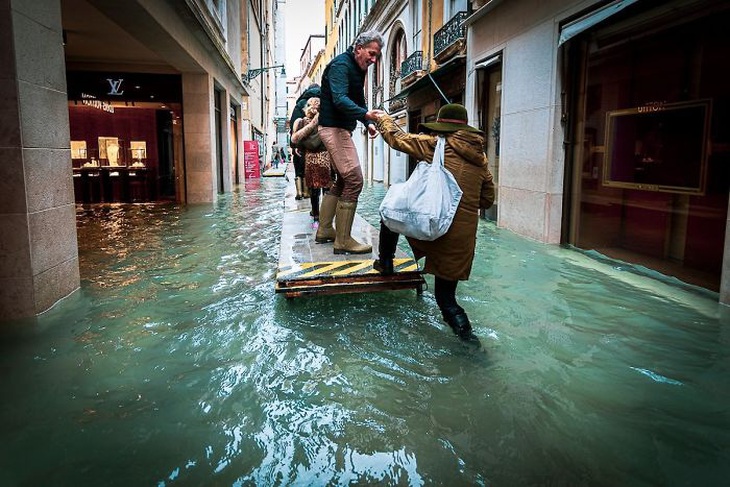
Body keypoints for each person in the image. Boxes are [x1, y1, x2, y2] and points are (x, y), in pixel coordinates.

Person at [373, 104, 495, 344]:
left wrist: (383, 119)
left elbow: (397, 139)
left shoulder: (435, 145)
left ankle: (386, 263)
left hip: (434, 228)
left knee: (390, 216)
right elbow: (487, 199)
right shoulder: (481, 159)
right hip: (461, 239)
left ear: (442, 127)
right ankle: (470, 342)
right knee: (446, 300)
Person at [315, 30, 384, 254]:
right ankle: (343, 240)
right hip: (334, 128)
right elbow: (340, 99)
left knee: (343, 181)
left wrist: (367, 123)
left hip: (339, 128)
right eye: (371, 54)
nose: (374, 60)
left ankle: (325, 230)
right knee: (354, 180)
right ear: (358, 49)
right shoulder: (341, 66)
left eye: (377, 56)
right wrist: (366, 115)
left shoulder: (356, 68)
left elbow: (357, 99)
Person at [291, 97, 333, 221]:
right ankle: (326, 215)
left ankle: (315, 214)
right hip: (325, 157)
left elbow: (296, 142)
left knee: (314, 188)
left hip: (310, 158)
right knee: (327, 187)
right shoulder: (326, 121)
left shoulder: (302, 122)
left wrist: (298, 148)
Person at [290, 84, 320, 200]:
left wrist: (293, 146)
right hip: (320, 142)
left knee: (299, 167)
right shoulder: (323, 100)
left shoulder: (300, 104)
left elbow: (294, 124)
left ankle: (300, 192)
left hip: (302, 142)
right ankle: (309, 194)